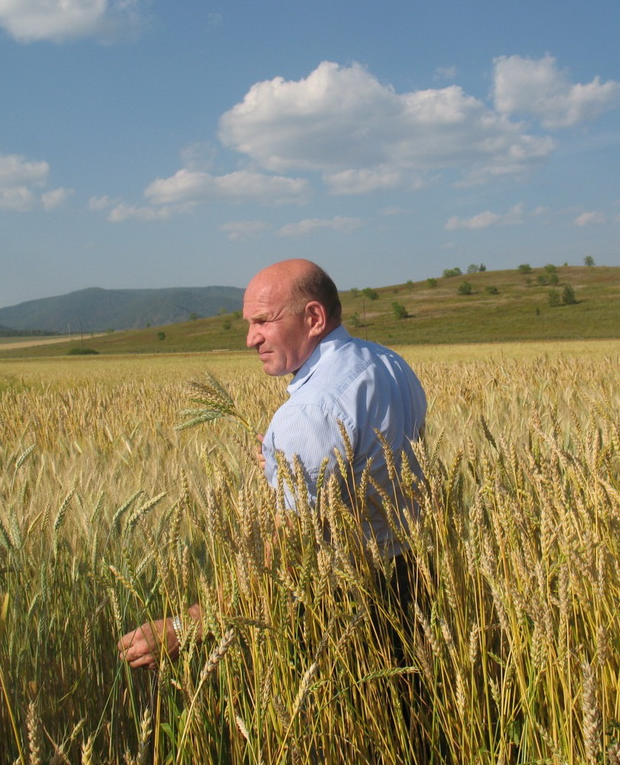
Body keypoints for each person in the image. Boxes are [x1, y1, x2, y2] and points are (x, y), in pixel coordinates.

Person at [118, 258, 427, 669]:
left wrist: (190, 623)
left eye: (263, 321)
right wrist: (286, 464)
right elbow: (371, 462)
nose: (250, 339)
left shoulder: (310, 411)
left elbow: (289, 542)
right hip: (415, 580)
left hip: (345, 606)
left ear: (313, 317)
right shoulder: (390, 363)